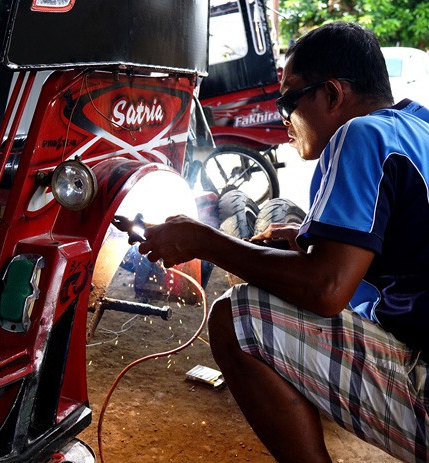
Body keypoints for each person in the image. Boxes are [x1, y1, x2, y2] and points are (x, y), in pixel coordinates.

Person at [138, 22, 429, 463]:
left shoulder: (363, 134)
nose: (282, 116)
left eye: (289, 99)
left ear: (332, 94)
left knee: (237, 317)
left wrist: (203, 241)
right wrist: (311, 245)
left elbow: (326, 290)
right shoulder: (418, 128)